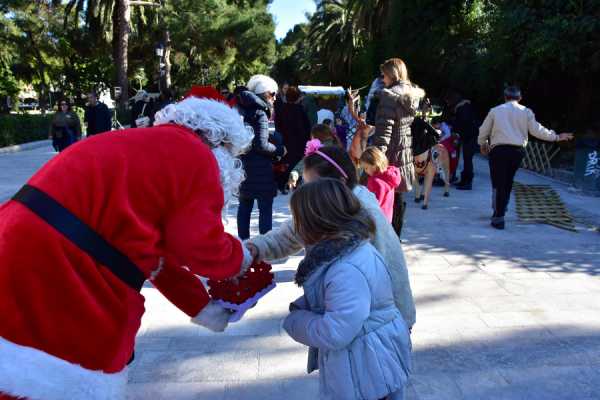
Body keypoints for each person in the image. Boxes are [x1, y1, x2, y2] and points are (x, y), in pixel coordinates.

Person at [0, 95, 255, 400]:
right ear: (222, 144)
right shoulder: (195, 155)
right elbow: (201, 247)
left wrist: (201, 307)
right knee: (57, 375)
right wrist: (241, 256)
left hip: (17, 239)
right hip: (57, 266)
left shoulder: (142, 144)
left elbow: (155, 256)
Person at [246, 143, 416, 330]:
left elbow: (393, 268)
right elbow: (287, 235)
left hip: (371, 329)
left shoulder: (367, 218)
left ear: (339, 184)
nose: (308, 193)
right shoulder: (322, 206)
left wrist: (403, 320)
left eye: (314, 186)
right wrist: (256, 248)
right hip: (338, 316)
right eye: (306, 184)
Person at [282, 178, 412, 400]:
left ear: (318, 222)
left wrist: (294, 322)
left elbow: (335, 332)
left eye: (299, 220)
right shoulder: (344, 252)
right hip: (366, 361)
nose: (297, 228)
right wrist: (305, 304)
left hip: (368, 370)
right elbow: (337, 298)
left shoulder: (346, 269)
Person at [478, 86, 574, 229]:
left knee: (498, 182)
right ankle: (501, 209)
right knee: (508, 181)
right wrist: (556, 137)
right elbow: (537, 130)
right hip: (517, 151)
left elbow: (483, 131)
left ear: (505, 97)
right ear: (520, 98)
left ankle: (498, 216)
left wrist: (482, 144)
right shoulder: (526, 112)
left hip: (499, 151)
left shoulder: (495, 111)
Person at [372, 58, 425, 238]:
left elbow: (384, 129)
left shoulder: (389, 96)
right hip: (404, 148)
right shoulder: (411, 95)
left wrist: (376, 155)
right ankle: (396, 237)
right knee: (398, 195)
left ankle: (387, 238)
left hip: (390, 151)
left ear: (392, 74)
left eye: (384, 74)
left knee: (383, 195)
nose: (382, 78)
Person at [236, 74, 285, 240]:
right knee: (265, 210)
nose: (274, 98)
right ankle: (264, 249)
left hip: (244, 165)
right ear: (265, 93)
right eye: (273, 94)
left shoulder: (240, 108)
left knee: (244, 207)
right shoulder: (260, 113)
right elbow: (262, 145)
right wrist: (280, 150)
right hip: (261, 170)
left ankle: (243, 246)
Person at [274, 86, 311, 194]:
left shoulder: (281, 109)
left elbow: (277, 125)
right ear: (298, 97)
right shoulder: (300, 110)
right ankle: (295, 183)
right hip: (299, 141)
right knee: (297, 162)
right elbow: (305, 127)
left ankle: (281, 183)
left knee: (284, 162)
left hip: (285, 139)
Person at [445, 90, 480, 190]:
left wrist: (456, 132)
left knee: (468, 159)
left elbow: (463, 124)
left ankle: (468, 182)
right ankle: (464, 180)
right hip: (470, 135)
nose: (447, 104)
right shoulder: (463, 106)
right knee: (466, 159)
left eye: (448, 101)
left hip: (470, 136)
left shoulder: (462, 108)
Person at [360, 147, 401, 223]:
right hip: (387, 218)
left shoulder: (375, 182)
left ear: (375, 165)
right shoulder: (389, 177)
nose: (365, 171)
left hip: (376, 221)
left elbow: (373, 204)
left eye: (366, 168)